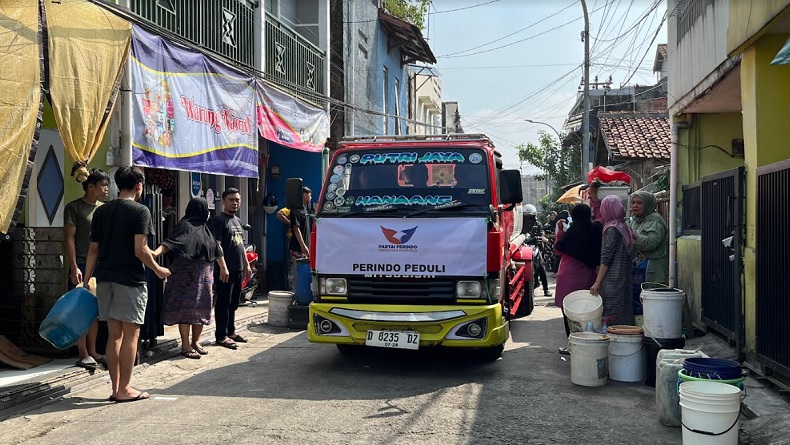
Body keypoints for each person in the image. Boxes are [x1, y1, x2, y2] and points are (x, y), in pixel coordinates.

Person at [83, 166, 171, 403]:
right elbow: (140, 249)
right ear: (139, 186)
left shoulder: (102, 212)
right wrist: (159, 269)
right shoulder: (140, 211)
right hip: (130, 280)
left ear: (117, 185)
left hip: (104, 278)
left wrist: (85, 279)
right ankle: (125, 388)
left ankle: (116, 387)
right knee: (131, 334)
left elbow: (93, 249)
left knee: (114, 336)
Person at [153, 198, 228, 359]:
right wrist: (155, 254)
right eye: (206, 210)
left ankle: (196, 342)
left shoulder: (205, 229)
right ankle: (185, 345)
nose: (208, 214)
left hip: (204, 279)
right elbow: (171, 243)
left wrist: (223, 266)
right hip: (185, 278)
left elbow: (216, 249)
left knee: (201, 309)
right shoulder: (185, 226)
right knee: (185, 310)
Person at [64, 168, 110, 370]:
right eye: (102, 185)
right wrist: (73, 266)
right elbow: (68, 238)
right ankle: (82, 352)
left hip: (100, 266)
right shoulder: (74, 208)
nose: (106, 189)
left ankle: (93, 350)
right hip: (81, 264)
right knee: (80, 310)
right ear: (90, 187)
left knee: (95, 312)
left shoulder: (104, 209)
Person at [554, 204, 602, 347]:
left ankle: (572, 343)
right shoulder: (596, 230)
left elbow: (557, 250)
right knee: (587, 309)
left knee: (568, 310)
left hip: (567, 275)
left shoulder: (570, 232)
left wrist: (560, 231)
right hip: (588, 275)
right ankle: (587, 342)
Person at [211, 188, 251, 350]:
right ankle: (221, 336)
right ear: (223, 201)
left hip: (238, 268)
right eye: (231, 200)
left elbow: (240, 245)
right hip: (225, 270)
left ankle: (231, 331)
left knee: (234, 302)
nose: (235, 203)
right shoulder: (218, 220)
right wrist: (223, 267)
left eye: (237, 200)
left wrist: (247, 265)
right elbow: (216, 246)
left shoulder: (237, 220)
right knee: (223, 303)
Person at [590, 195, 635, 326]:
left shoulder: (612, 229)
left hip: (613, 281)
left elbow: (606, 257)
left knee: (612, 316)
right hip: (624, 278)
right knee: (623, 314)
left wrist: (597, 282)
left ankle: (614, 343)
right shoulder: (624, 226)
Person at [630, 191, 669, 285]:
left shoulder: (655, 221)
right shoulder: (635, 220)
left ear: (647, 204)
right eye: (633, 202)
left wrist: (633, 235)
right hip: (638, 266)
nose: (635, 205)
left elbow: (651, 243)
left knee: (651, 296)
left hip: (653, 269)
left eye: (639, 203)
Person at [523, 204, 551, 297]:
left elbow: (542, 234)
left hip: (535, 246)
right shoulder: (521, 224)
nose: (528, 218)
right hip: (523, 247)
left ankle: (546, 289)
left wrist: (541, 238)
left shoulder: (537, 224)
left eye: (530, 216)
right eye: (527, 216)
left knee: (541, 268)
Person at [289, 187, 312, 289]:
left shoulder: (305, 210)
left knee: (304, 272)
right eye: (310, 195)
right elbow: (296, 228)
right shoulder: (295, 210)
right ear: (304, 195)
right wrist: (303, 245)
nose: (311, 198)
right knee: (296, 272)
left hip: (305, 247)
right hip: (297, 247)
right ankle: (295, 292)